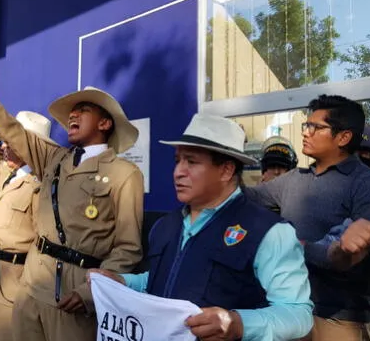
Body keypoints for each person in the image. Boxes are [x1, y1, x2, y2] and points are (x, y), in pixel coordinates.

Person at [0, 46, 144, 341]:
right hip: (31, 284)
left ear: (104, 123)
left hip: (75, 293)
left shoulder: (124, 173)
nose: (73, 116)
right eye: (72, 112)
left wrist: (92, 293)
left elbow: (128, 249)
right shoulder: (55, 158)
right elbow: (9, 127)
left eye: (84, 111)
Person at [92, 114, 314, 340]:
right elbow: (160, 278)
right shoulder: (164, 226)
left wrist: (238, 324)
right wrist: (122, 281)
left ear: (226, 170)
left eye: (191, 161)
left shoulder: (269, 232)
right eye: (177, 160)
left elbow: (298, 313)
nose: (178, 171)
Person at [245, 95, 370, 340]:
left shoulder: (364, 183)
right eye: (306, 125)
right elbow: (248, 197)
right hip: (288, 308)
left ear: (343, 137)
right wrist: (223, 164)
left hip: (338, 317)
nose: (306, 132)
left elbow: (347, 255)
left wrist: (298, 247)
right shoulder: (295, 179)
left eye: (316, 127)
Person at [0, 111, 53, 341]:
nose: (5, 146)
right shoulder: (11, 176)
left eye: (12, 141)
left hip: (12, 284)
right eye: (4, 141)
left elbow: (43, 241)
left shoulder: (40, 184)